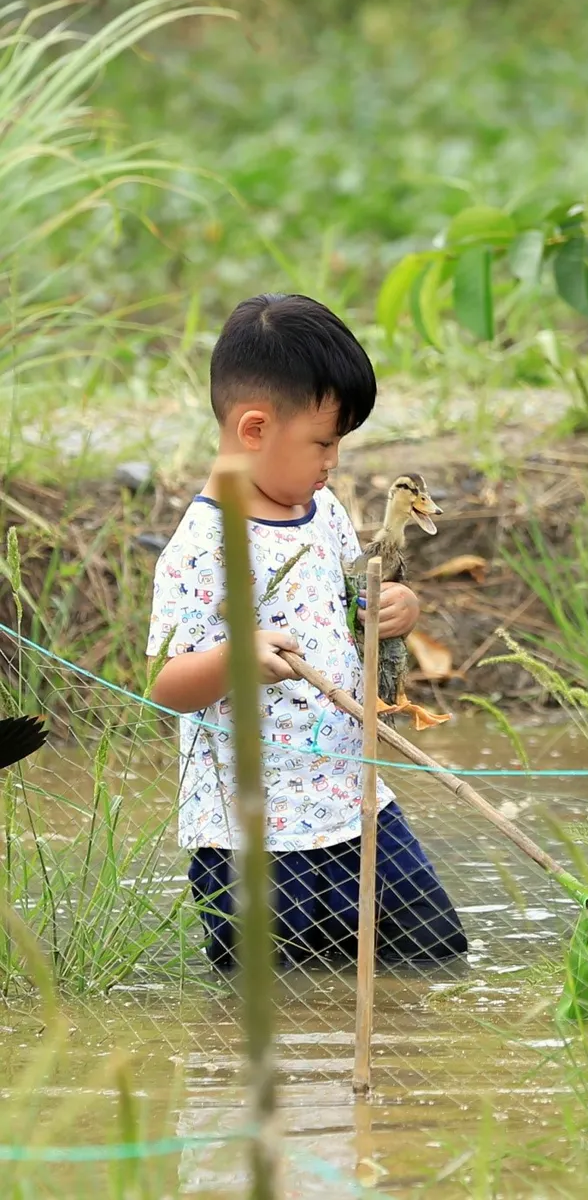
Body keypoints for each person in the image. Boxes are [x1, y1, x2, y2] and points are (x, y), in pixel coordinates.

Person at [148, 292, 468, 969]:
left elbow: (351, 618)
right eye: (323, 443)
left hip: (356, 810)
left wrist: (394, 612)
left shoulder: (322, 513)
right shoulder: (203, 547)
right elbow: (166, 686)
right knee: (278, 997)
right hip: (252, 840)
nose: (332, 463)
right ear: (255, 430)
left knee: (434, 956)